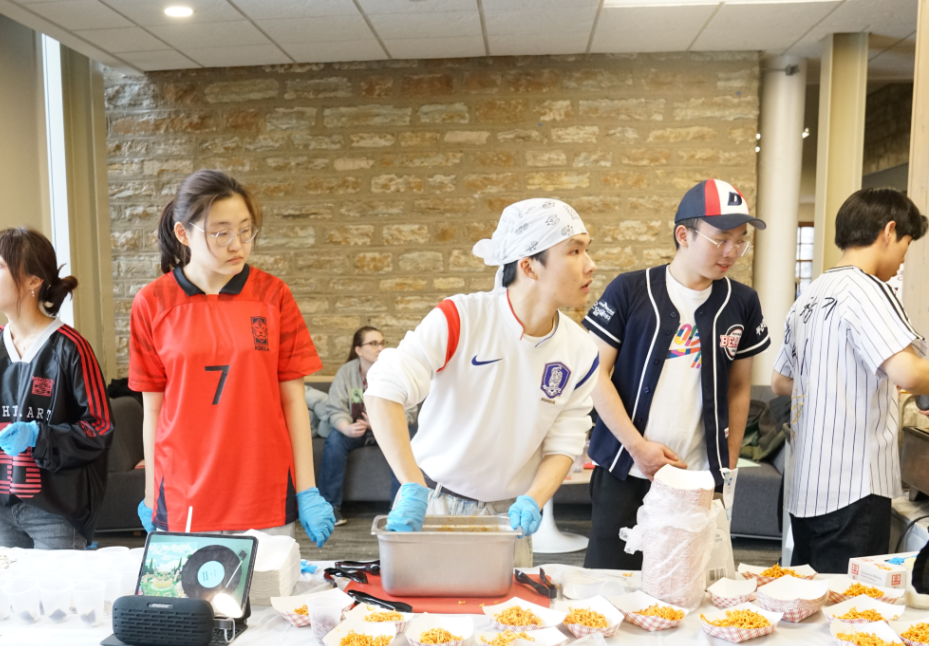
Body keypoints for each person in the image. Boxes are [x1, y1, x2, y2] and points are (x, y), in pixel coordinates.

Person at [364, 198, 600, 566]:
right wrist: (412, 487)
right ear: (528, 266)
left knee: (508, 620)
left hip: (511, 519)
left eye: (587, 250)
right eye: (574, 251)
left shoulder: (581, 350)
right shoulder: (461, 318)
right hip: (433, 503)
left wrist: (533, 500)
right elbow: (383, 390)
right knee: (429, 620)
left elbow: (565, 442)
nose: (590, 264)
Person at [128, 169, 335, 545]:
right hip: (183, 495)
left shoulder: (273, 296)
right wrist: (150, 491)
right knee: (191, 603)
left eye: (245, 230)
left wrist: (307, 490)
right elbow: (153, 411)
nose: (237, 244)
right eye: (221, 232)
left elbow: (293, 401)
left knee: (266, 604)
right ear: (183, 234)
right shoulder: (152, 303)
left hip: (263, 493)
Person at [582, 179, 770, 570]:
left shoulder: (743, 302)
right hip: (625, 470)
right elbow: (594, 373)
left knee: (685, 589)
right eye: (722, 239)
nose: (732, 251)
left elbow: (738, 388)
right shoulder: (630, 290)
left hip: (697, 479)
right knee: (613, 585)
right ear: (684, 234)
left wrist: (726, 467)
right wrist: (638, 447)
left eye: (741, 240)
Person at [0, 227, 113, 549]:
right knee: (12, 601)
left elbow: (100, 428)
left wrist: (41, 436)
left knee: (57, 601)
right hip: (3, 510)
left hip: (57, 513)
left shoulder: (70, 349)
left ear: (33, 280)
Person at [773, 188, 929, 573]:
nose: (902, 260)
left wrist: (839, 383)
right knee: (849, 611)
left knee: (810, 600)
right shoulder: (868, 289)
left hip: (806, 487)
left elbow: (780, 381)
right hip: (854, 488)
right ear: (889, 231)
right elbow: (909, 372)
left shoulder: (811, 295)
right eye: (906, 247)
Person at [318, 326, 416, 525]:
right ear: (358, 350)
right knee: (335, 440)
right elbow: (335, 407)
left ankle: (400, 508)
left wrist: (382, 422)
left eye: (382, 343)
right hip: (357, 430)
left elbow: (410, 412)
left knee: (408, 440)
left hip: (388, 429)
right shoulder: (346, 373)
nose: (380, 348)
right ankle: (330, 508)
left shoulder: (395, 371)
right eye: (373, 343)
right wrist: (345, 427)